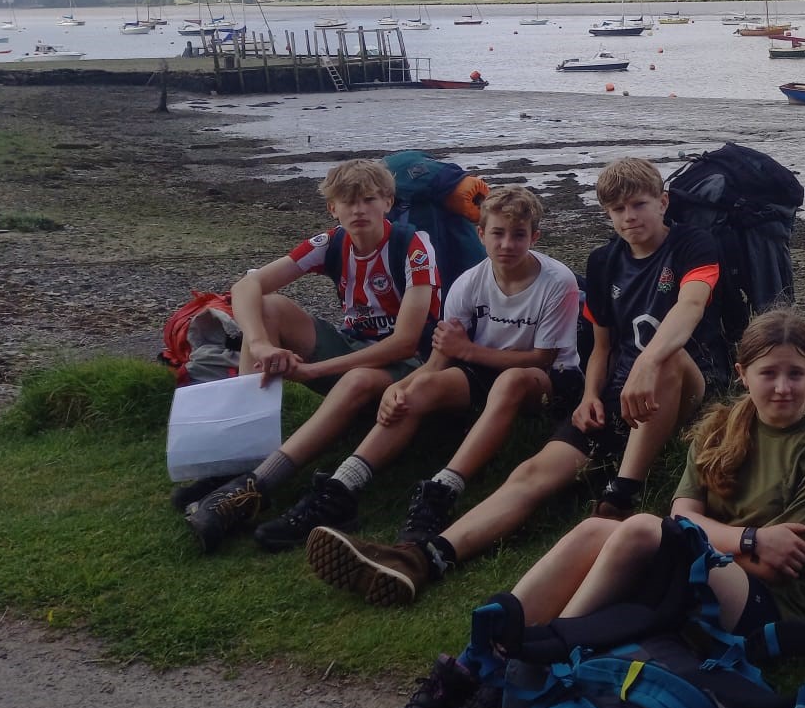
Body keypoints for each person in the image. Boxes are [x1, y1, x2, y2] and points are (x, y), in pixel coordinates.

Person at [361, 308, 805, 708]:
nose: (783, 388)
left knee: (640, 528)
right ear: (742, 372)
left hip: (767, 602)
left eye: (796, 374)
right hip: (723, 563)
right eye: (768, 373)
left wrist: (715, 542)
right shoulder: (724, 426)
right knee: (599, 528)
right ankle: (469, 669)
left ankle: (526, 670)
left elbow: (776, 564)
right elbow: (684, 511)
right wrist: (748, 538)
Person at [306, 155, 725, 605]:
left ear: (663, 203)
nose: (630, 217)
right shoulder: (605, 261)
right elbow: (602, 346)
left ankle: (621, 493)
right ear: (607, 213)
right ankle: (421, 558)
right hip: (617, 390)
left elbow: (690, 306)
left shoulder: (692, 244)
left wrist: (647, 363)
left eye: (640, 205)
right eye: (618, 209)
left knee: (665, 358)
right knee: (531, 473)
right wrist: (588, 395)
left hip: (683, 383)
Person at [248, 186, 584, 551]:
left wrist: (467, 350)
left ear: (534, 237)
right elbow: (440, 359)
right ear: (481, 234)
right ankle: (341, 489)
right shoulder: (469, 283)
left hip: (547, 379)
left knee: (512, 381)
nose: (507, 244)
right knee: (415, 394)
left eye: (519, 235)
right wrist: (403, 386)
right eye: (498, 233)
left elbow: (541, 359)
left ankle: (442, 490)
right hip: (482, 366)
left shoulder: (557, 281)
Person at [182, 158, 440, 553]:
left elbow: (406, 343)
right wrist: (261, 342)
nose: (358, 210)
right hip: (356, 348)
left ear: (388, 202)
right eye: (347, 201)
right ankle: (238, 457)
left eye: (369, 199)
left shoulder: (413, 245)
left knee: (356, 377)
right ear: (332, 208)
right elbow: (247, 286)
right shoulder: (331, 242)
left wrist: (315, 369)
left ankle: (257, 484)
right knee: (267, 307)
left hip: (410, 368)